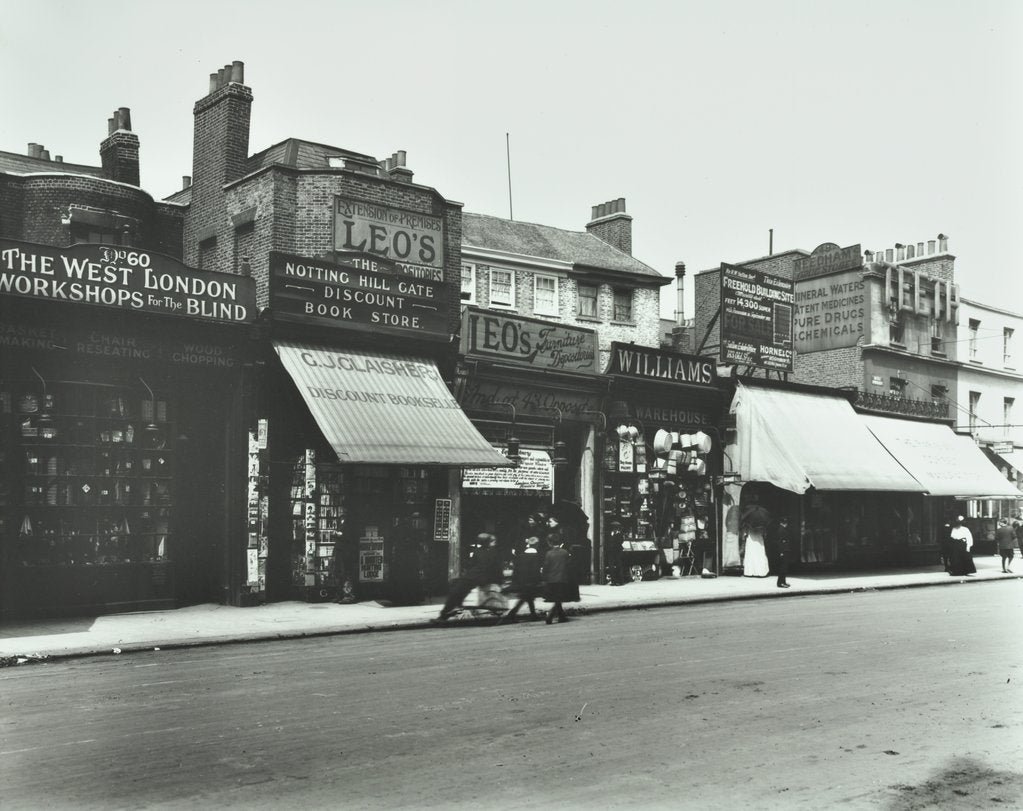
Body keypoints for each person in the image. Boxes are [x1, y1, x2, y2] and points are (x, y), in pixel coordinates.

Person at [433, 533, 503, 621]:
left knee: (457, 588)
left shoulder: (482, 551)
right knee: (458, 586)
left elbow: (475, 565)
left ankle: (447, 612)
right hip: (478, 576)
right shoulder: (491, 552)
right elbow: (497, 568)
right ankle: (456, 606)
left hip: (478, 577)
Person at [498, 532, 543, 623]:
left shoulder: (520, 556)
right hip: (531, 582)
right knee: (527, 597)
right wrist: (539, 580)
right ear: (537, 545)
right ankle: (513, 614)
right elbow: (535, 571)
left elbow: (516, 570)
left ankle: (530, 614)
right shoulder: (536, 556)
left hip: (521, 581)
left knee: (527, 597)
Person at [542, 516, 579, 624]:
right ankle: (551, 616)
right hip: (562, 578)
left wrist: (544, 578)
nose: (549, 523)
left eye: (550, 521)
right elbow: (569, 565)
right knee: (558, 598)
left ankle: (560, 616)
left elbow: (546, 567)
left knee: (557, 598)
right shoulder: (564, 553)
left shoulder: (548, 553)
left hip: (552, 579)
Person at [740, 492, 771, 578]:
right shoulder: (762, 523)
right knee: (760, 555)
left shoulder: (748, 523)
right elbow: (765, 534)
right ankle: (761, 571)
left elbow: (745, 533)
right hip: (759, 541)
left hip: (751, 539)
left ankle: (750, 572)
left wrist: (745, 535)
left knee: (751, 555)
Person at [768, 515, 792, 588]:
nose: (786, 524)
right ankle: (780, 583)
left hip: (785, 550)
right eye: (785, 522)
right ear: (783, 523)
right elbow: (780, 542)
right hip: (783, 551)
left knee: (784, 567)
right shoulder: (781, 530)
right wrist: (781, 552)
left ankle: (783, 581)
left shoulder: (782, 529)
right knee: (783, 568)